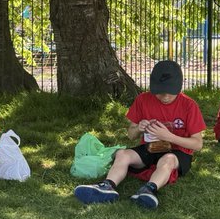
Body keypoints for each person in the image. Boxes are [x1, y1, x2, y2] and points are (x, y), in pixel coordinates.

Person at [73, 59, 206, 209]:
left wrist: (168, 136)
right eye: (160, 92)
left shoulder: (189, 105)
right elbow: (131, 135)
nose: (166, 96)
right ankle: (107, 186)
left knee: (167, 159)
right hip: (150, 148)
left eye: (170, 92)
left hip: (177, 152)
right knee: (122, 154)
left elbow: (198, 144)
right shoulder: (143, 99)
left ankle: (149, 190)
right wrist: (139, 128)